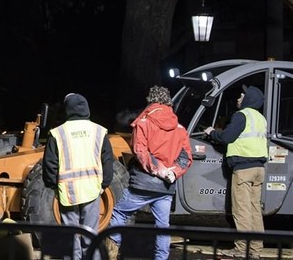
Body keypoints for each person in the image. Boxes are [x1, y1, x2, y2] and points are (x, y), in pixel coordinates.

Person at [105, 86, 192, 260]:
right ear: (168, 101)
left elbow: (140, 152)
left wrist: (158, 170)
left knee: (119, 213)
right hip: (166, 187)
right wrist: (172, 173)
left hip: (144, 183)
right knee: (162, 226)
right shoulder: (180, 128)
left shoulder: (143, 122)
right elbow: (186, 157)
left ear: (150, 101)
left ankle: (112, 253)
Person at [42, 93, 114, 260]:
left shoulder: (57, 133)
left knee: (71, 237)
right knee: (91, 236)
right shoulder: (99, 131)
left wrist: (53, 186)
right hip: (92, 190)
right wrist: (104, 185)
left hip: (67, 193)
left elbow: (50, 164)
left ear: (67, 109)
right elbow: (107, 161)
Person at [205, 85, 268, 259]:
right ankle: (255, 249)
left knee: (242, 210)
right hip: (258, 169)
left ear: (249, 99)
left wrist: (212, 132)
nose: (239, 97)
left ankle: (242, 249)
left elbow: (226, 137)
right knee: (255, 209)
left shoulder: (242, 115)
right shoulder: (260, 118)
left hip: (244, 169)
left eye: (243, 95)